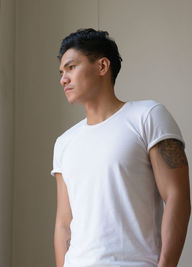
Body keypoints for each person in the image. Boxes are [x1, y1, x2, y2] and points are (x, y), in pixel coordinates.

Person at [51, 28, 190, 267]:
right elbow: (64, 222)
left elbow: (178, 196)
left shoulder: (148, 116)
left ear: (102, 67)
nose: (63, 78)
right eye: (62, 72)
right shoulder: (64, 142)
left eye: (72, 67)